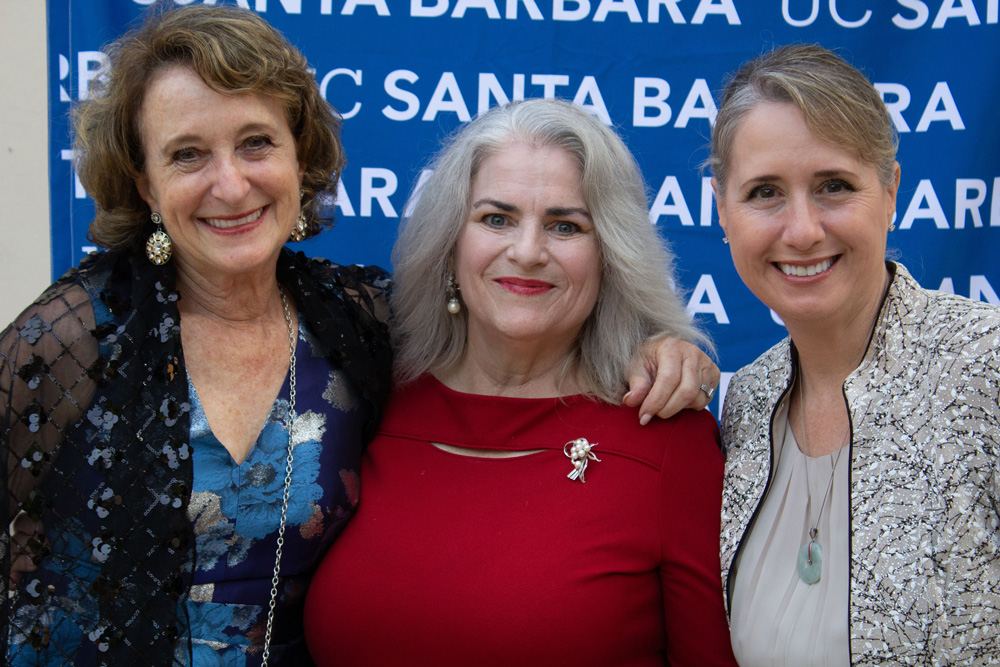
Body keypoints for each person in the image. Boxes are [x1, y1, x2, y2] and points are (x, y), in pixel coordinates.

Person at [1, 6, 719, 665]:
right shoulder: (70, 338)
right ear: (146, 183)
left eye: (256, 143)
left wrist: (662, 342)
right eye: (188, 154)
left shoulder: (354, 324)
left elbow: (516, 328)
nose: (230, 183)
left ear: (299, 158)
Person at [303, 98, 738, 666]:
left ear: (610, 254)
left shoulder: (666, 438)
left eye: (565, 225)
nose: (528, 251)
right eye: (496, 218)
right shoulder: (366, 397)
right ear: (450, 243)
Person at [711, 45, 1000, 665]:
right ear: (722, 210)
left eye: (834, 186)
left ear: (891, 191)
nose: (803, 230)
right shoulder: (747, 401)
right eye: (765, 192)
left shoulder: (985, 365)